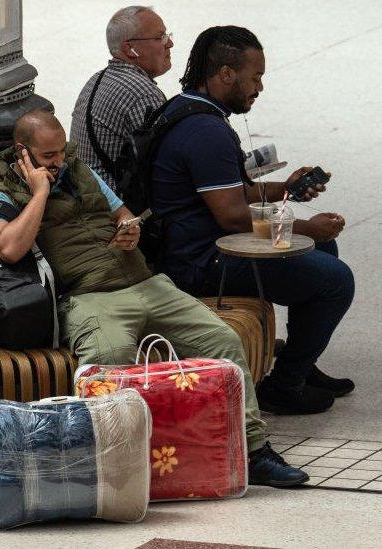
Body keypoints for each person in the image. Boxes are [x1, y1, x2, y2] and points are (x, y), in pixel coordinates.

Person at [0, 108, 308, 487]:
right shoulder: (0, 189)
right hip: (89, 296)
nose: (58, 162)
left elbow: (124, 213)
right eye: (48, 156)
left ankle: (253, 449)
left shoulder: (76, 168)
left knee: (222, 341)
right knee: (108, 362)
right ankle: (115, 468)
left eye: (61, 151)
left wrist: (128, 230)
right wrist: (39, 193)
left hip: (143, 281)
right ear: (22, 152)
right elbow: (8, 248)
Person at [148, 26, 355, 416]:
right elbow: (231, 217)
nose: (258, 87)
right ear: (226, 73)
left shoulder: (191, 109)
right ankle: (285, 385)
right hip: (201, 262)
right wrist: (308, 228)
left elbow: (230, 192)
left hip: (200, 242)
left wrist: (285, 188)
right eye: (255, 77)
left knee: (325, 249)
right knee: (335, 281)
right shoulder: (205, 131)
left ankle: (301, 363)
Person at [70, 5, 172, 190]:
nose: (170, 44)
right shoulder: (142, 93)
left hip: (87, 198)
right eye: (160, 37)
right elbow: (169, 165)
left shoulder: (98, 79)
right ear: (130, 49)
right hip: (118, 209)